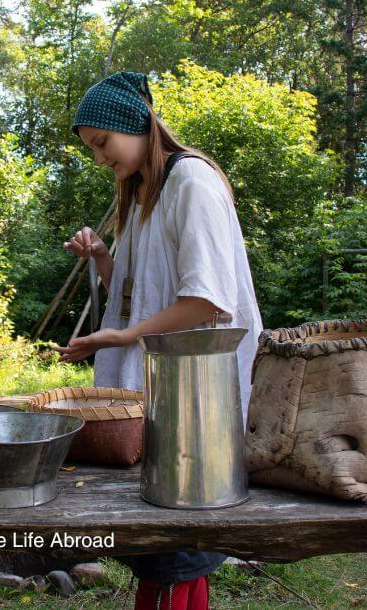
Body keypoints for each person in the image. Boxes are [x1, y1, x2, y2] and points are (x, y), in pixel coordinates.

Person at [54, 72, 263, 610]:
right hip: (165, 387)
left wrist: (121, 337)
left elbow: (206, 301)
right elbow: (140, 294)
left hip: (198, 389)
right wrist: (104, 257)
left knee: (175, 542)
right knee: (169, 544)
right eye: (91, 149)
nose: (99, 158)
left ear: (135, 124)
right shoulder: (145, 193)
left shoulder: (191, 183)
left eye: (102, 143)